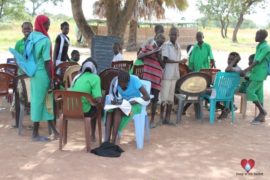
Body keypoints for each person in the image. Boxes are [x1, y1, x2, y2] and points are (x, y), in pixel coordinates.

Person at [30, 15, 58, 141]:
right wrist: (51, 79)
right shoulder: (45, 40)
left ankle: (55, 131)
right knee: (41, 102)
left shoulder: (31, 36)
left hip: (34, 74)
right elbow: (47, 62)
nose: (48, 26)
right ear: (42, 24)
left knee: (44, 101)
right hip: (42, 74)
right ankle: (35, 134)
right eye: (47, 24)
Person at [105, 71, 150, 144]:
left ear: (128, 82)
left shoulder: (135, 81)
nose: (121, 85)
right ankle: (106, 141)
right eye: (120, 83)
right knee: (110, 111)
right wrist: (115, 101)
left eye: (123, 83)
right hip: (123, 103)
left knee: (117, 111)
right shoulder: (116, 81)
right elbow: (112, 95)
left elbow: (147, 97)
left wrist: (133, 102)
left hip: (135, 104)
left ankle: (113, 141)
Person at [137, 33, 165, 128]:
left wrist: (158, 55)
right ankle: (140, 117)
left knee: (155, 100)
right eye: (159, 41)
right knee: (144, 98)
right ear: (155, 39)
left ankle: (152, 120)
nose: (160, 43)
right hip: (147, 78)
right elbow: (139, 56)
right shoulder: (148, 47)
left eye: (162, 42)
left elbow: (163, 65)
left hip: (156, 79)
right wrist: (152, 52)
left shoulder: (162, 50)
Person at [160, 27, 187, 125]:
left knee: (170, 98)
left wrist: (181, 62)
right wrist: (179, 61)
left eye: (175, 34)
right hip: (167, 75)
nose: (173, 36)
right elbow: (165, 60)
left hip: (174, 75)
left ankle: (167, 118)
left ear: (178, 35)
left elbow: (177, 60)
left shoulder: (178, 46)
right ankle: (161, 119)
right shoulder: (166, 45)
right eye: (172, 34)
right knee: (164, 97)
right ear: (169, 35)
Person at [70, 58, 102, 141]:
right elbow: (98, 99)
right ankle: (92, 135)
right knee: (96, 108)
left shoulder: (77, 77)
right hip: (84, 111)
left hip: (70, 109)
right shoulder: (95, 78)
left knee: (90, 104)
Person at [243, 29, 270, 124]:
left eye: (257, 35)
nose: (255, 37)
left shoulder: (266, 47)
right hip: (256, 72)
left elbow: (258, 60)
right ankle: (261, 117)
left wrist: (247, 69)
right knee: (259, 94)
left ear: (262, 37)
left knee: (250, 91)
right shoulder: (259, 46)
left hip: (260, 73)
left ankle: (263, 112)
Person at [11, 22, 33, 127]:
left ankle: (34, 122)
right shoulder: (19, 43)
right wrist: (22, 65)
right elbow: (16, 57)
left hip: (33, 75)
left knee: (32, 98)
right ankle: (17, 123)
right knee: (18, 96)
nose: (27, 30)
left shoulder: (34, 42)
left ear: (32, 29)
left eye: (29, 28)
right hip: (21, 74)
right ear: (22, 30)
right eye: (25, 28)